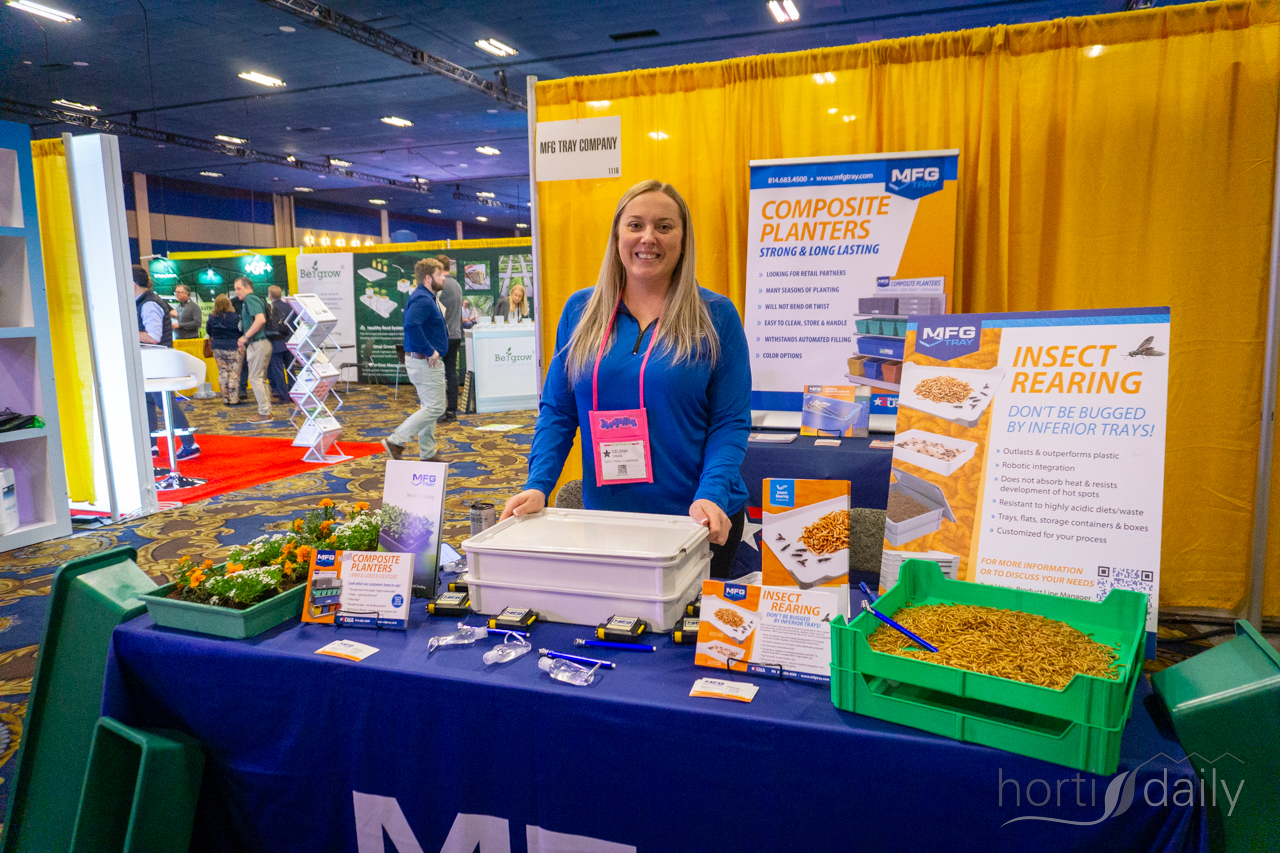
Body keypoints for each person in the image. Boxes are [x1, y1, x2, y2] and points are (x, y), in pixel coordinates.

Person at [501, 180, 751, 579]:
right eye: (635, 225)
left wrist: (712, 494)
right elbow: (558, 412)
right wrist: (538, 484)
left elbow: (730, 422)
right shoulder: (580, 310)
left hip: (696, 520)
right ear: (617, 236)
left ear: (683, 240)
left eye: (664, 226)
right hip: (609, 518)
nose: (648, 237)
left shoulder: (716, 315)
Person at [382, 258, 449, 462]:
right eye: (439, 275)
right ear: (428, 278)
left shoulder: (424, 297)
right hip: (424, 362)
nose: (443, 278)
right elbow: (411, 326)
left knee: (429, 407)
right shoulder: (423, 299)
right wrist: (430, 351)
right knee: (436, 408)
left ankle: (428, 452)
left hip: (421, 361)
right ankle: (396, 441)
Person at [134, 265, 200, 460]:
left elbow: (153, 336)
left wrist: (127, 330)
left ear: (133, 283)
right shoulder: (145, 301)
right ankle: (151, 445)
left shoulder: (149, 303)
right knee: (148, 401)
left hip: (157, 360)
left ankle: (189, 444)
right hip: (152, 361)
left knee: (165, 402)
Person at [233, 277, 273, 424]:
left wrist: (245, 337)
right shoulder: (256, 299)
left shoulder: (250, 299)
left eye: (239, 288)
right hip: (262, 342)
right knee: (260, 379)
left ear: (248, 287)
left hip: (258, 342)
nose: (237, 292)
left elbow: (260, 319)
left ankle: (264, 413)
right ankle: (266, 411)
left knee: (256, 378)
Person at [432, 254, 465, 422]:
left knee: (439, 372)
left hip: (443, 336)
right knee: (451, 371)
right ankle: (452, 410)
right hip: (456, 334)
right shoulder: (457, 285)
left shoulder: (442, 286)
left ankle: (440, 409)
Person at [206, 294, 243, 405]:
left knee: (223, 372)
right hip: (233, 346)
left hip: (217, 347)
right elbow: (241, 331)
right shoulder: (236, 317)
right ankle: (233, 398)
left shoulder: (211, 318)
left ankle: (225, 398)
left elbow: (209, 331)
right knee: (233, 373)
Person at [265, 285, 295, 404]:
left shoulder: (269, 308)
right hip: (290, 341)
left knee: (278, 370)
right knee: (291, 369)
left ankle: (283, 395)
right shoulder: (290, 307)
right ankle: (294, 393)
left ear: (270, 295)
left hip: (276, 342)